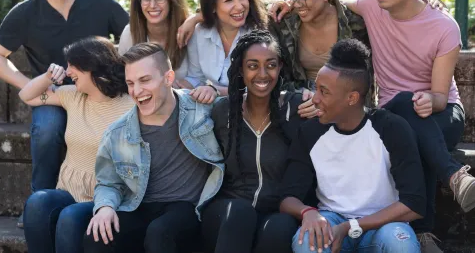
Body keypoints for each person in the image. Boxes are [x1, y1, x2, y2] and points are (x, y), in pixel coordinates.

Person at [340, 0, 474, 252]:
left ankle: (423, 233)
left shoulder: (443, 27)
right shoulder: (372, 5)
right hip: (393, 114)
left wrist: (430, 99)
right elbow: (330, 1)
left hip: (442, 113)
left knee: (411, 122)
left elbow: (441, 96)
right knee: (401, 107)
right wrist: (287, 3)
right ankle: (454, 176)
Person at [0, 0, 128, 227]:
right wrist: (29, 83)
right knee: (48, 127)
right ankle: (39, 204)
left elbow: (133, 37)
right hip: (54, 95)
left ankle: (116, 200)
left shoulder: (100, 3)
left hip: (99, 95)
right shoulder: (26, 11)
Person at [281, 39, 425, 253]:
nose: (316, 99)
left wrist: (353, 226)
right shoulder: (310, 132)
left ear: (352, 98)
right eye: (315, 89)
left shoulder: (391, 128)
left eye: (324, 91)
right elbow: (287, 198)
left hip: (383, 224)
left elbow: (414, 204)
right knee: (307, 242)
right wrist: (307, 212)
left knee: (400, 244)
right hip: (331, 220)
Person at [83, 43, 224, 253]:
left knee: (160, 232)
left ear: (168, 78)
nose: (137, 91)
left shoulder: (200, 109)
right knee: (98, 234)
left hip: (185, 208)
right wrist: (105, 207)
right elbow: (108, 182)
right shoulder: (118, 132)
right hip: (139, 205)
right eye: (130, 83)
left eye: (145, 80)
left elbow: (244, 102)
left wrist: (214, 88)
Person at [20, 37, 134, 253]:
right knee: (37, 202)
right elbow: (26, 96)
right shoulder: (72, 96)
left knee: (70, 216)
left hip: (106, 196)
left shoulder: (129, 105)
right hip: (69, 188)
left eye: (73, 65)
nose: (68, 71)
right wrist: (47, 77)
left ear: (91, 66)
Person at [202, 30, 310, 253]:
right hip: (227, 211)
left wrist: (316, 99)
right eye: (252, 66)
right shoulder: (224, 111)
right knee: (241, 213)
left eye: (270, 65)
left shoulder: (297, 109)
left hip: (278, 210)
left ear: (280, 67)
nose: (263, 74)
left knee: (280, 228)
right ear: (241, 69)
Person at [269, 0, 369, 90]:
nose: (297, 4)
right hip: (299, 103)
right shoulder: (285, 21)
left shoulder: (356, 24)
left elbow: (362, 83)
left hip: (344, 105)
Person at [184, 0, 269, 103]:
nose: (239, 6)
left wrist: (216, 91)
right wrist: (172, 87)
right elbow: (196, 78)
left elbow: (260, 86)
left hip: (250, 109)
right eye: (229, 0)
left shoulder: (259, 35)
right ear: (212, 6)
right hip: (213, 108)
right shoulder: (199, 33)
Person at [118, 0, 192, 89]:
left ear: (171, 0)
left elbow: (200, 79)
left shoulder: (190, 31)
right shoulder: (130, 34)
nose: (152, 5)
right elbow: (122, 79)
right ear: (139, 1)